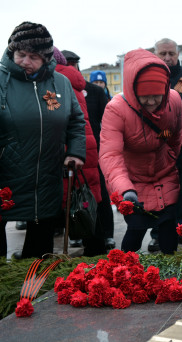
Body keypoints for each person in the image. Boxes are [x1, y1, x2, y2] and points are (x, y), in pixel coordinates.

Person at [0, 22, 86, 259]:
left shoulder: (61, 83)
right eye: (21, 55)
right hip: (7, 172)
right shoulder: (1, 80)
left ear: (47, 57)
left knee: (39, 250)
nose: (25, 61)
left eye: (34, 57)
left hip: (47, 175)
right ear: (11, 52)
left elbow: (76, 122)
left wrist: (76, 153)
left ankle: (33, 288)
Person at [99, 48, 182, 254]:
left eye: (157, 96)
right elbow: (111, 155)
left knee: (168, 233)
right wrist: (125, 189)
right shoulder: (116, 109)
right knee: (135, 231)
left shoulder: (173, 101)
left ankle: (170, 278)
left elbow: (176, 136)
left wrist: (171, 159)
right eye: (145, 97)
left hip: (165, 176)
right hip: (132, 181)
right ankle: (123, 271)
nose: (152, 102)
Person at [53, 47, 106, 255]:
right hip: (85, 148)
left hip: (68, 150)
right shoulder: (74, 82)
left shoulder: (54, 82)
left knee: (60, 205)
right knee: (87, 200)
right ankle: (97, 257)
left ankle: (43, 263)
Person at [150, 38, 182, 251]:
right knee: (158, 192)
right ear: (156, 55)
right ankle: (157, 233)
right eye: (163, 54)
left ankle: (181, 229)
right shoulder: (149, 76)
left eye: (172, 53)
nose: (168, 58)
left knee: (180, 189)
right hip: (157, 146)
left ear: (178, 54)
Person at [61, 50, 115, 250]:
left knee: (97, 195)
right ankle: (76, 231)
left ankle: (106, 234)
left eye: (74, 62)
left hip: (94, 149)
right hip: (74, 150)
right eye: (68, 62)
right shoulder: (62, 87)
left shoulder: (94, 91)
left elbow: (106, 120)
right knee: (73, 196)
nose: (71, 65)